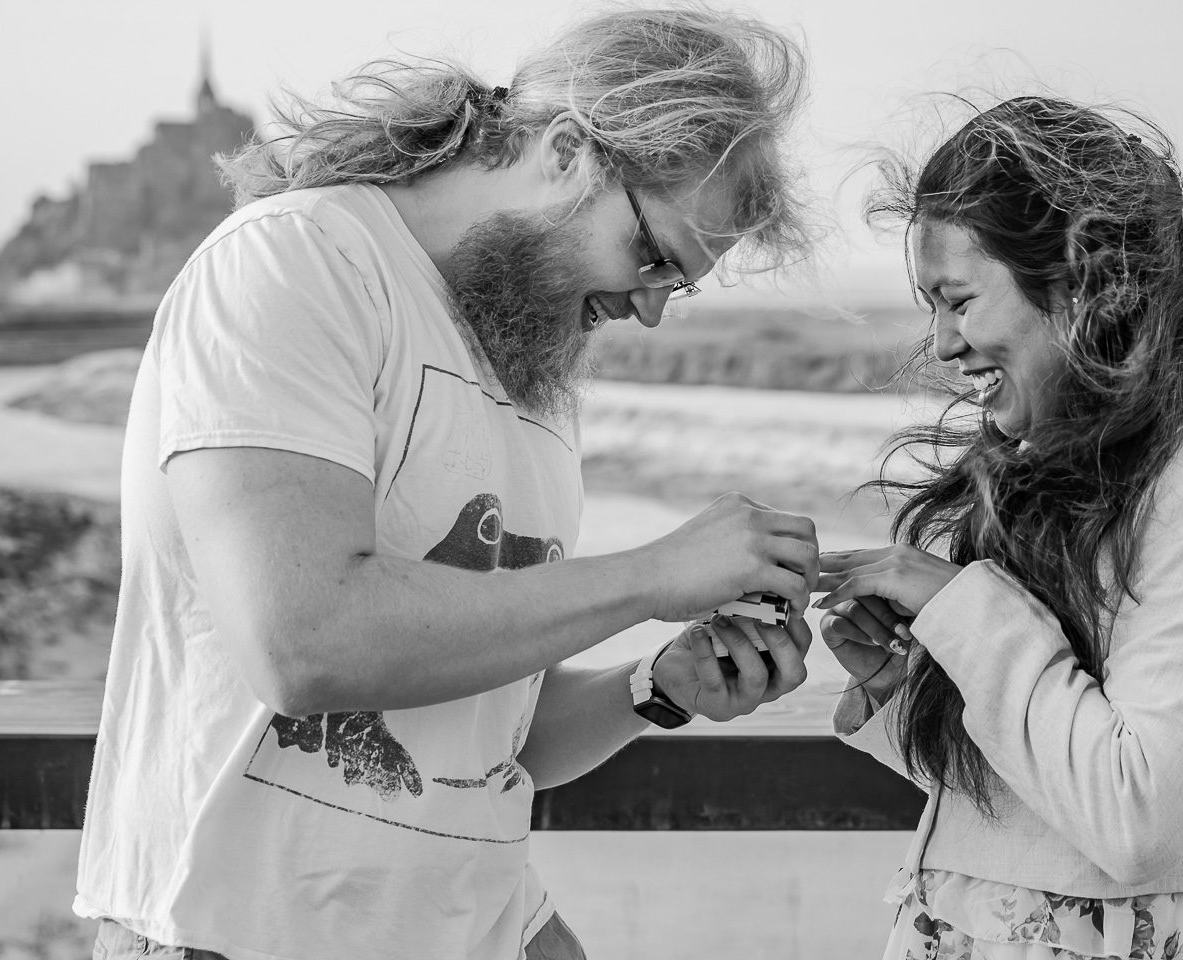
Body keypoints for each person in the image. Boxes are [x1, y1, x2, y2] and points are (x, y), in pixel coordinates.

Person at [74, 9, 820, 960]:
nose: (651, 310)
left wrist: (652, 687)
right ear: (567, 152)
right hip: (238, 935)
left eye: (680, 284)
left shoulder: (530, 355)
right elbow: (305, 643)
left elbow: (495, 734)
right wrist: (653, 574)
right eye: (654, 257)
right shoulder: (297, 264)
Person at [813, 96, 1183, 960]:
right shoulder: (1054, 463)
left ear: (1085, 285)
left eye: (959, 301)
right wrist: (907, 694)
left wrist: (961, 606)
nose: (942, 344)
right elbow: (1033, 807)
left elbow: (1134, 819)